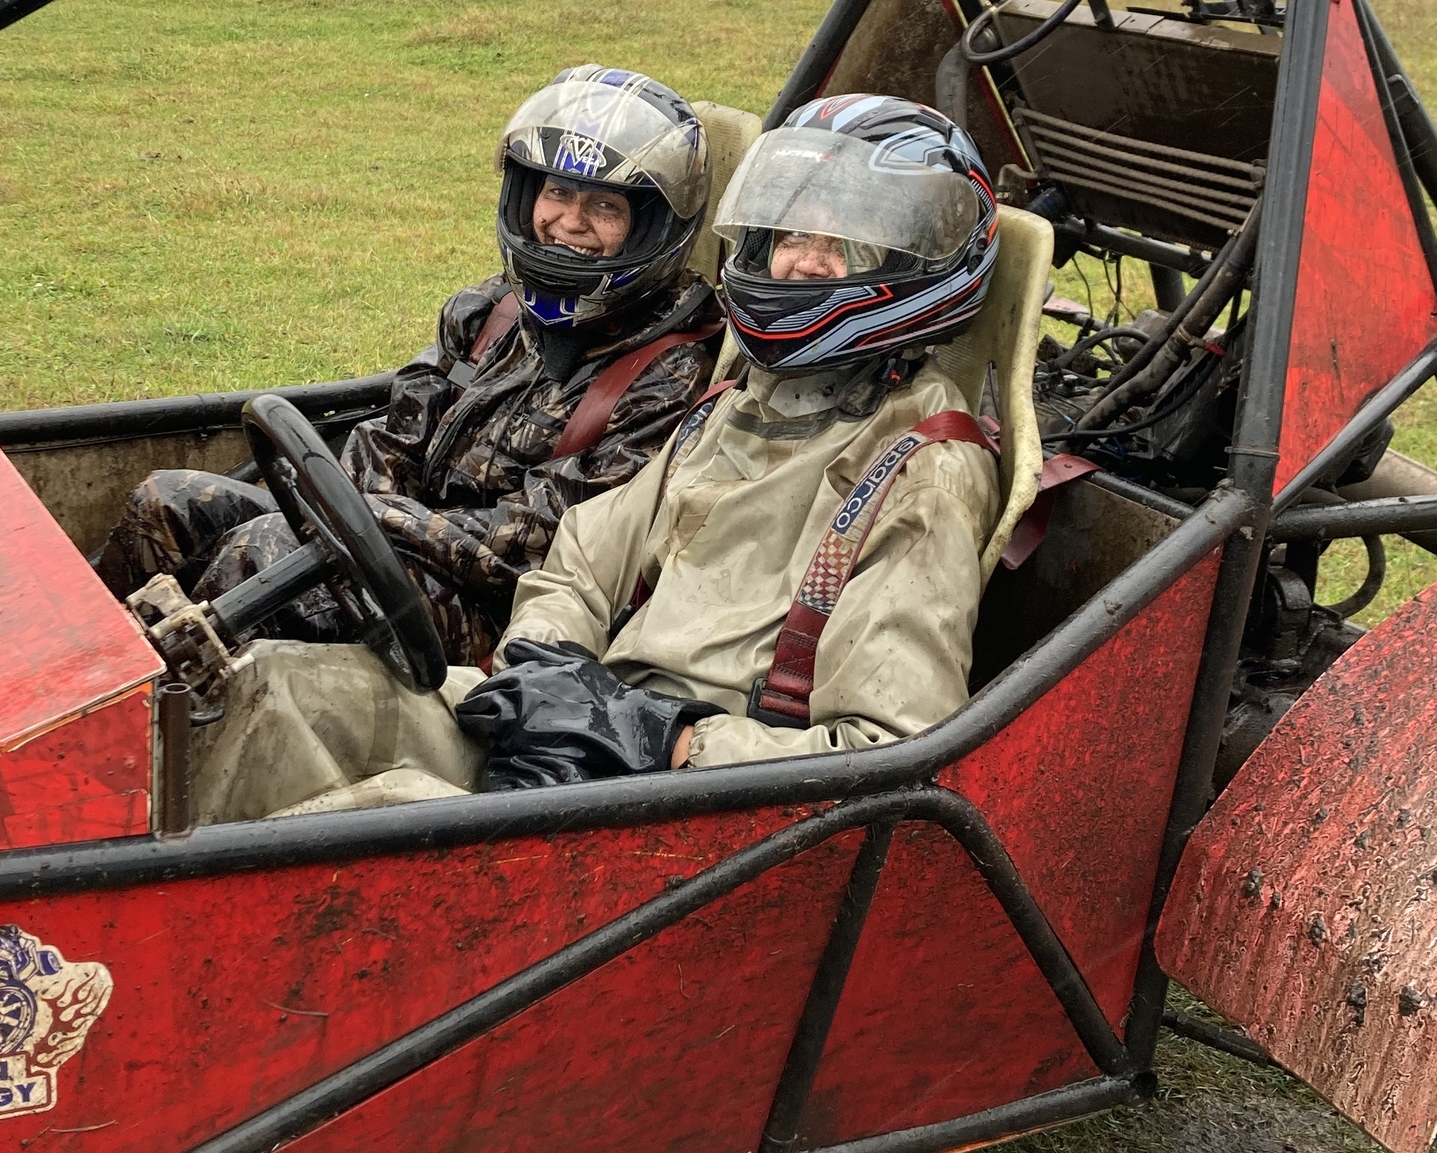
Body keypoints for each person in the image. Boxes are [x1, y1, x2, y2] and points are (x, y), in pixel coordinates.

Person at [185, 96, 1004, 821]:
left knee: (371, 814)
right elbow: (576, 561)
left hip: (701, 800)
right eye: (794, 233)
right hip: (586, 721)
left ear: (916, 268)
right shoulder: (737, 402)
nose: (802, 262)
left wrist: (654, 737)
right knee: (260, 688)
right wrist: (549, 672)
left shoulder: (923, 468)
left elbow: (887, 753)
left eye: (845, 245)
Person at [97, 67, 725, 671]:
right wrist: (350, 518)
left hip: (501, 612)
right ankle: (89, 673)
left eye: (605, 206)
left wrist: (372, 521)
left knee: (267, 551)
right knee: (167, 500)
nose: (568, 222)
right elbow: (388, 437)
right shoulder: (488, 311)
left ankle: (154, 724)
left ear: (651, 226)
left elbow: (542, 541)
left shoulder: (669, 375)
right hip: (387, 544)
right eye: (557, 192)